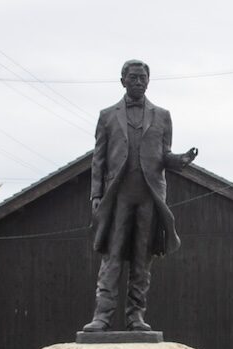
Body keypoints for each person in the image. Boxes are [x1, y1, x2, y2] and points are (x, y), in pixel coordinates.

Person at [83, 59, 197, 332]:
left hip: (149, 196)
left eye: (142, 78)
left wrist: (180, 160)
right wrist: (96, 194)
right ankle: (102, 316)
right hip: (117, 197)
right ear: (122, 80)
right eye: (133, 77)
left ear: (149, 81)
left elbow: (164, 155)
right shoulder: (108, 115)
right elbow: (98, 160)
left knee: (142, 258)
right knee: (112, 257)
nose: (138, 82)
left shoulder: (162, 116)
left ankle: (136, 317)